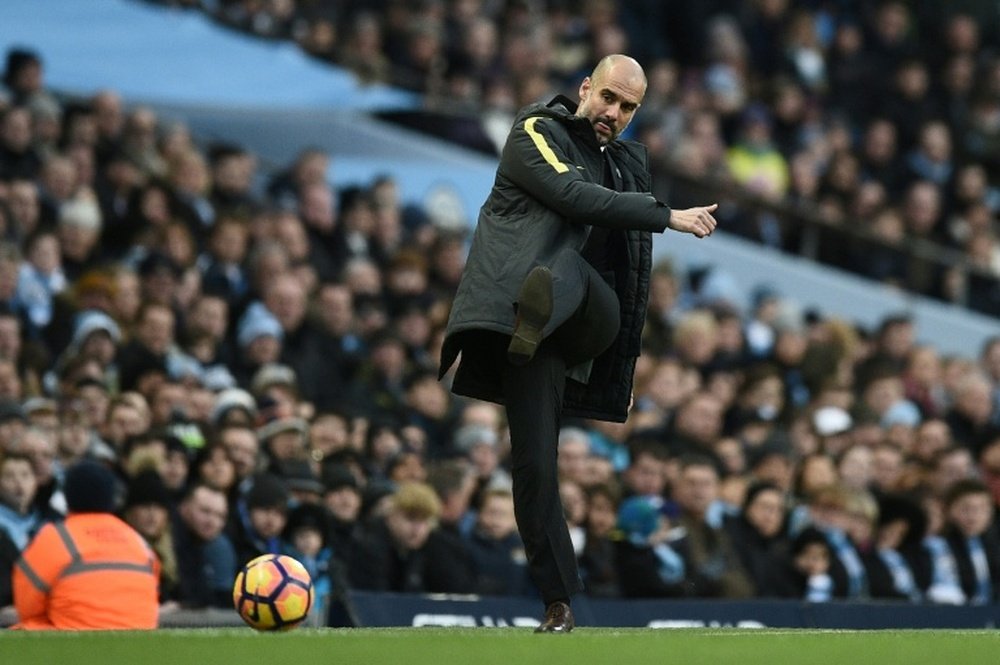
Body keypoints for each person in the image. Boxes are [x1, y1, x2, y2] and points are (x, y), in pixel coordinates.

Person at [438, 54, 717, 632]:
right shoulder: (535, 130)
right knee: (534, 463)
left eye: (628, 107)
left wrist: (621, 373)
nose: (613, 113)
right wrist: (667, 216)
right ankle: (559, 602)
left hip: (590, 318)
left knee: (573, 274)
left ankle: (542, 304)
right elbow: (572, 197)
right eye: (608, 98)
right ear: (585, 88)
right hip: (527, 332)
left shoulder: (625, 166)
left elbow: (629, 276)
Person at [11, 461, 160, 630]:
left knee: (24, 629)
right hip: (140, 646)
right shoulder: (138, 541)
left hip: (74, 647)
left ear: (68, 496)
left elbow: (27, 606)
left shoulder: (56, 538)